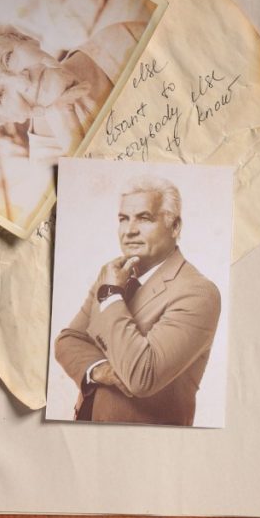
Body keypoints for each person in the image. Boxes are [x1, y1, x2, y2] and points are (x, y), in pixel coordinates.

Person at [54, 175, 221, 426]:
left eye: (144, 218)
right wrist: (101, 371)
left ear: (175, 226)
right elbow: (68, 341)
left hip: (144, 448)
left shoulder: (198, 293)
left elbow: (141, 377)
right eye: (123, 219)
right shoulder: (111, 273)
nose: (130, 230)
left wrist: (111, 295)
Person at [0, 17, 144, 162]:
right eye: (1, 95)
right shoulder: (48, 161)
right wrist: (69, 128)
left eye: (7, 59)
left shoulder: (122, 39)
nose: (22, 82)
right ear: (5, 117)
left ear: (24, 38)